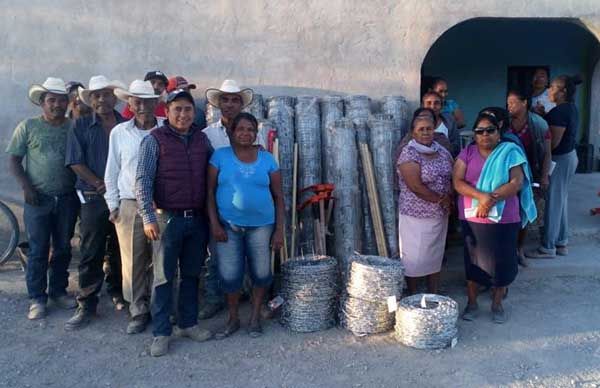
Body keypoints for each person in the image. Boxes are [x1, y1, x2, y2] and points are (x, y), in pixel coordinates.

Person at [136, 89, 213, 357]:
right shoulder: (154, 140)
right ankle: (161, 332)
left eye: (187, 110)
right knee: (163, 277)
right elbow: (143, 180)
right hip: (167, 219)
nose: (182, 114)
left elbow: (212, 177)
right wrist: (148, 217)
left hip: (197, 219)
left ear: (195, 113)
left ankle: (188, 323)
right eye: (177, 109)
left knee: (192, 274)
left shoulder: (202, 140)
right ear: (166, 112)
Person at [206, 112, 284, 339]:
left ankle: (255, 318)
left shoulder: (268, 159)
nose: (245, 133)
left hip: (262, 226)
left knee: (261, 273)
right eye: (240, 129)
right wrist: (215, 224)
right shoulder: (220, 157)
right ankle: (232, 319)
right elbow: (209, 193)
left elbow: (279, 197)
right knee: (230, 275)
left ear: (255, 133)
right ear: (231, 132)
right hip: (228, 226)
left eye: (250, 129)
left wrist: (279, 230)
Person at [6, 77, 79, 320]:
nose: (57, 104)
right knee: (38, 250)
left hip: (67, 198)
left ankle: (58, 291)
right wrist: (26, 187)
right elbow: (14, 160)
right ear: (42, 102)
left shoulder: (73, 127)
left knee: (62, 247)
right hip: (38, 199)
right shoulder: (27, 127)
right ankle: (37, 298)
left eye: (61, 100)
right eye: (51, 100)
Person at [453, 111, 536, 324]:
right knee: (473, 262)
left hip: (505, 218)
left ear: (499, 133)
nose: (485, 135)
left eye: (490, 130)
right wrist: (481, 197)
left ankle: (497, 304)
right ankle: (471, 303)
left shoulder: (510, 152)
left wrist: (491, 199)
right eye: (479, 131)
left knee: (503, 262)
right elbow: (458, 182)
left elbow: (516, 182)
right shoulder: (467, 153)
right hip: (474, 218)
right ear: (474, 135)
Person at [64, 75, 126, 330]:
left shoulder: (125, 125)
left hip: (123, 197)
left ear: (115, 98)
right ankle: (87, 303)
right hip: (93, 197)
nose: (102, 100)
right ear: (90, 100)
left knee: (120, 249)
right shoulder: (79, 126)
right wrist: (100, 184)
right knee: (91, 250)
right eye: (96, 95)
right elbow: (75, 161)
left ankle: (118, 293)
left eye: (106, 95)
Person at [199, 79, 263, 320]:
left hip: (250, 206)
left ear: (241, 103)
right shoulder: (207, 135)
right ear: (218, 104)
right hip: (219, 205)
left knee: (250, 253)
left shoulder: (256, 132)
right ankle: (215, 299)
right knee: (216, 256)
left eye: (234, 99)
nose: (229, 104)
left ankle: (245, 296)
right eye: (224, 100)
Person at [104, 80, 164, 334]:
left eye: (147, 101)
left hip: (161, 204)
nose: (142, 106)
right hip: (129, 203)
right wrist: (113, 204)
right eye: (136, 101)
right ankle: (138, 310)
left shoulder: (166, 129)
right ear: (129, 103)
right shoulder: (119, 132)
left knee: (162, 259)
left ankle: (161, 308)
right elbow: (112, 170)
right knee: (132, 260)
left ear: (155, 103)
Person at [396, 113, 453, 294]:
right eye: (421, 129)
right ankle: (413, 294)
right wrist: (441, 200)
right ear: (413, 133)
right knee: (414, 257)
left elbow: (452, 175)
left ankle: (433, 291)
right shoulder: (409, 153)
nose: (426, 132)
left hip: (439, 214)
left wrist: (449, 198)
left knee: (435, 255)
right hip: (415, 215)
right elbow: (415, 186)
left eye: (429, 129)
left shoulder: (441, 151)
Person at [526, 75, 582, 259]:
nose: (549, 91)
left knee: (553, 203)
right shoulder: (568, 109)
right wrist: (544, 116)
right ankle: (561, 241)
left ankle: (548, 247)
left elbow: (554, 144)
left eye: (553, 88)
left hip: (560, 159)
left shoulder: (560, 112)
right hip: (569, 157)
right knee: (561, 201)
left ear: (563, 92)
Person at [506, 90, 551, 265]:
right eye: (507, 103)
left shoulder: (539, 124)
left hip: (531, 173)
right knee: (508, 212)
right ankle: (508, 249)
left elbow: (547, 153)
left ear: (524, 102)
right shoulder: (505, 124)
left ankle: (519, 248)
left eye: (512, 102)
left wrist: (545, 177)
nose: (509, 106)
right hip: (507, 176)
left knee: (524, 211)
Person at [421, 91, 460, 156]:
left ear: (441, 106)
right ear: (423, 106)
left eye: (436, 103)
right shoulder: (417, 123)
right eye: (428, 103)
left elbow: (456, 147)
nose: (432, 106)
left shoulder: (449, 122)